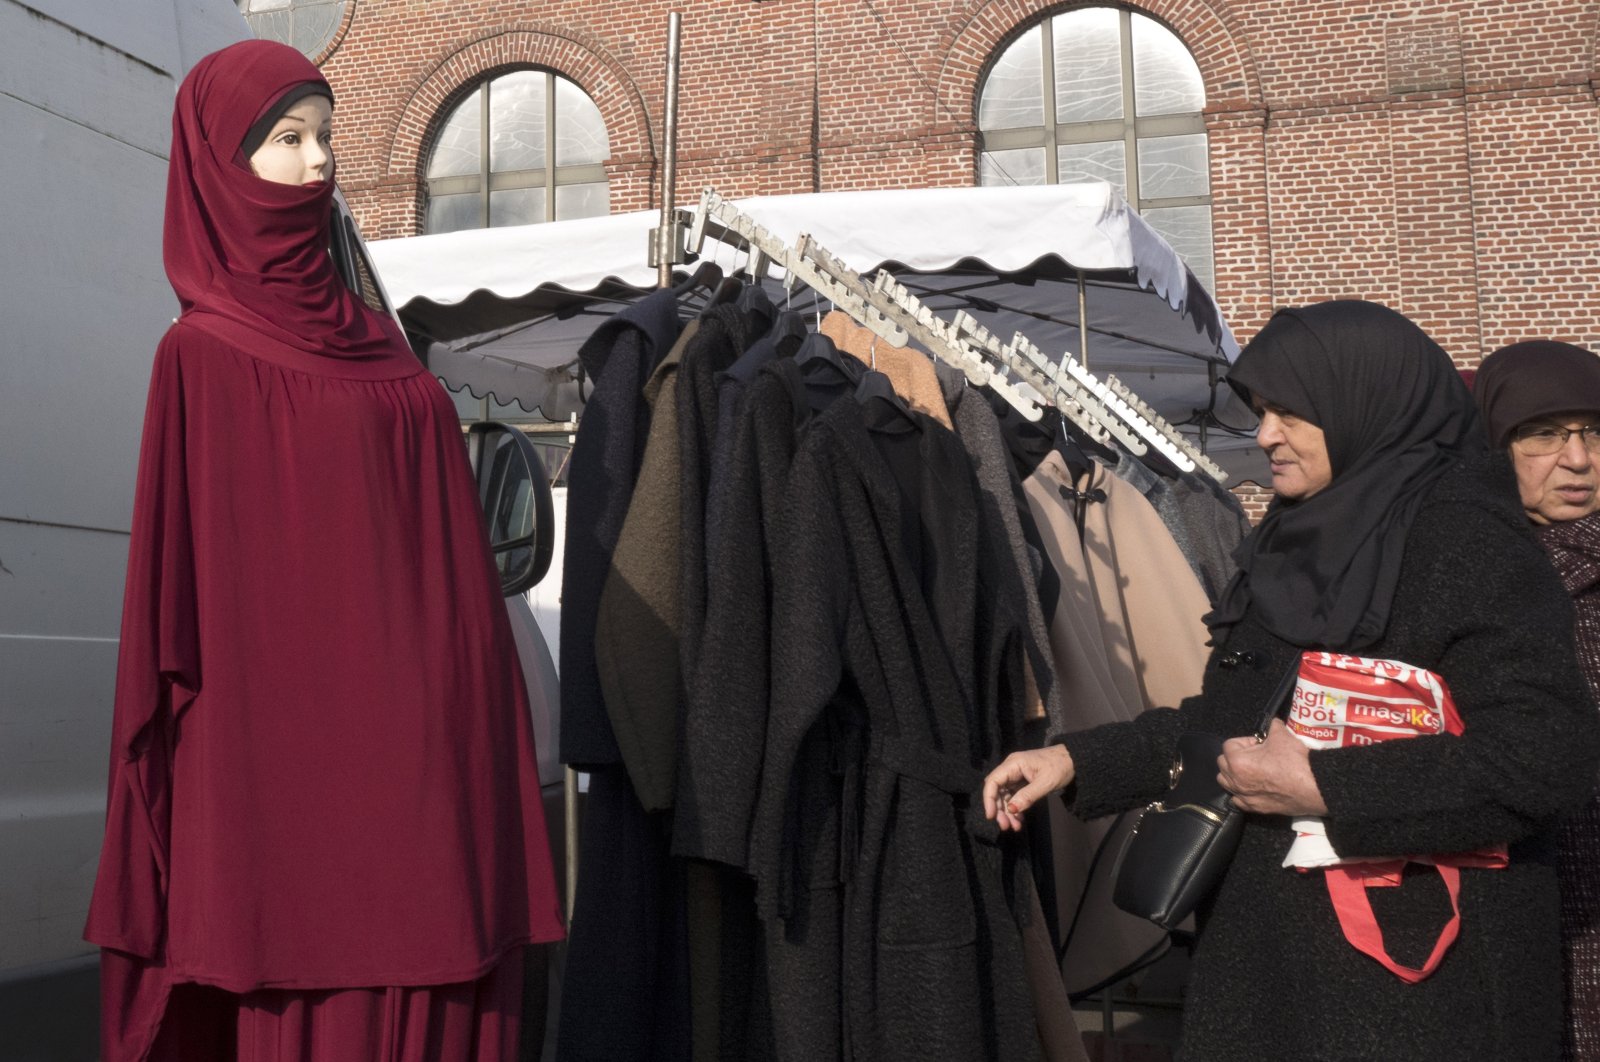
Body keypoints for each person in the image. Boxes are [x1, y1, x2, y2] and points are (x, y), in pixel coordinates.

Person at [83, 40, 563, 1062]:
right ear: (220, 162)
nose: (318, 164)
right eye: (287, 140)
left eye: (327, 138)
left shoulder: (383, 343)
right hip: (284, 780)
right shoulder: (202, 356)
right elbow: (179, 606)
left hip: (431, 762)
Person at [982, 300, 1600, 1061]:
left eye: (1289, 412)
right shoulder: (1297, 540)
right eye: (1262, 410)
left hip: (1418, 986)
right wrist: (1079, 759)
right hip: (1267, 965)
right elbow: (1234, 721)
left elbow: (1542, 757)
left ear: (1360, 403)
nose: (1264, 434)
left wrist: (1327, 786)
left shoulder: (1469, 543)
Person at [1475, 339, 1600, 1062]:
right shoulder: (1464, 582)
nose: (1578, 460)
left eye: (1593, 432)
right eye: (1544, 434)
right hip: (1513, 907)